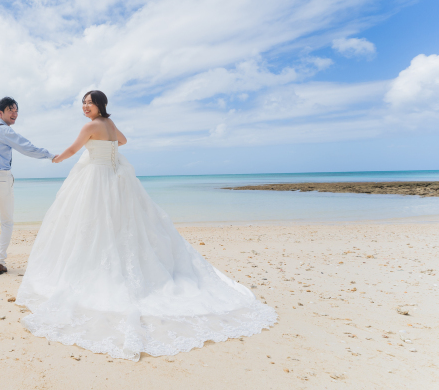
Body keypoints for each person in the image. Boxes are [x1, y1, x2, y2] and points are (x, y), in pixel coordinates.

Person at [16, 90, 277, 361]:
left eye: (89, 103)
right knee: (118, 225)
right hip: (115, 177)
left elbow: (73, 149)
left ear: (100, 105)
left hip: (97, 178)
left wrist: (57, 158)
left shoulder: (90, 127)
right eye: (83, 103)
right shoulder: (109, 124)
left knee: (93, 225)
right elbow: (123, 141)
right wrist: (105, 148)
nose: (85, 107)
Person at [0, 97, 56, 275]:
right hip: (0, 177)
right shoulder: (5, 130)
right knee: (7, 221)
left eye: (16, 110)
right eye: (10, 110)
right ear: (1, 113)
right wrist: (49, 155)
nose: (15, 113)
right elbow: (26, 147)